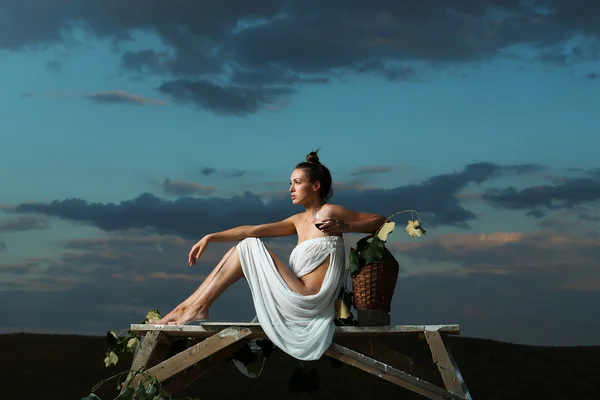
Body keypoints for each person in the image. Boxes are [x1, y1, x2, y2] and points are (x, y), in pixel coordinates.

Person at [149, 150, 386, 360]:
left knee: (249, 246)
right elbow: (251, 229)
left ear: (316, 186)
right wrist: (210, 237)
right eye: (290, 183)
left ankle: (191, 308)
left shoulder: (329, 211)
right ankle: (187, 308)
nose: (290, 189)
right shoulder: (297, 221)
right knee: (244, 246)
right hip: (297, 297)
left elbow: (379, 221)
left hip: (309, 302)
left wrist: (344, 227)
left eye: (297, 182)